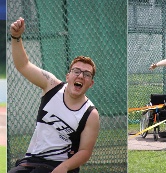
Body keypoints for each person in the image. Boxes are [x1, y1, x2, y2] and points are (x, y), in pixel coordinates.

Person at [8, 17, 100, 173]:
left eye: (86, 74)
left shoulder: (91, 114)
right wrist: (16, 37)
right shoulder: (51, 86)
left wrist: (63, 168)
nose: (80, 76)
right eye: (76, 71)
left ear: (90, 83)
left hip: (59, 166)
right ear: (68, 76)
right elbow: (23, 65)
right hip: (30, 162)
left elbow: (85, 152)